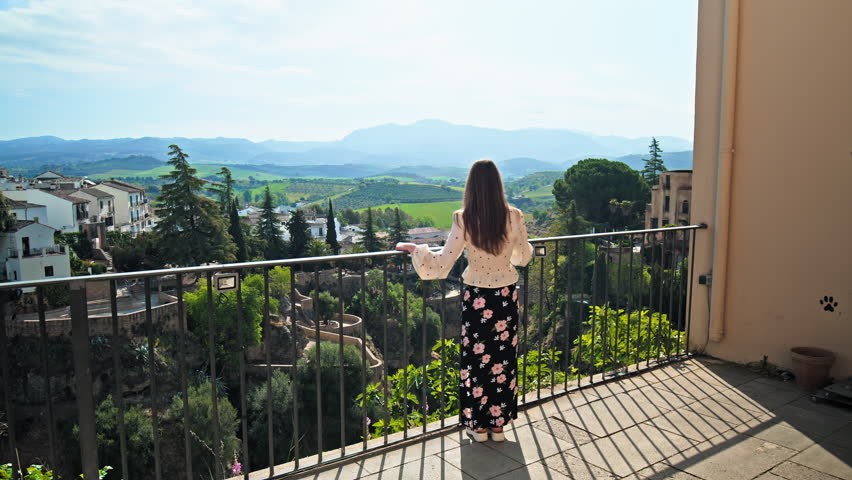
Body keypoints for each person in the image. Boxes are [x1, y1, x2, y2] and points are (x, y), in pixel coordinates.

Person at [395, 159, 534, 442]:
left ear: (471, 187)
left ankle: (479, 427)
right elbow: (522, 257)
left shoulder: (463, 218)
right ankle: (498, 427)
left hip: (477, 299)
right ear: (498, 185)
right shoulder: (515, 216)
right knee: (502, 361)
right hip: (506, 298)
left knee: (477, 361)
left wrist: (417, 250)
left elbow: (444, 263)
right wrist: (522, 242)